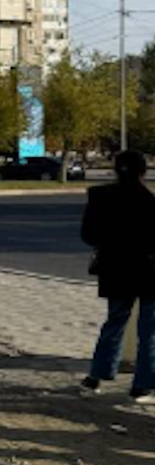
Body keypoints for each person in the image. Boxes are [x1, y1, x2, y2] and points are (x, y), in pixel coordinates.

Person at [79, 150, 155, 404]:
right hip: (148, 270)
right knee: (149, 329)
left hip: (114, 268)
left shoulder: (99, 196)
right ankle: (142, 385)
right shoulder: (149, 201)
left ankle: (97, 376)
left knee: (114, 322)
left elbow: (88, 235)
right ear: (143, 171)